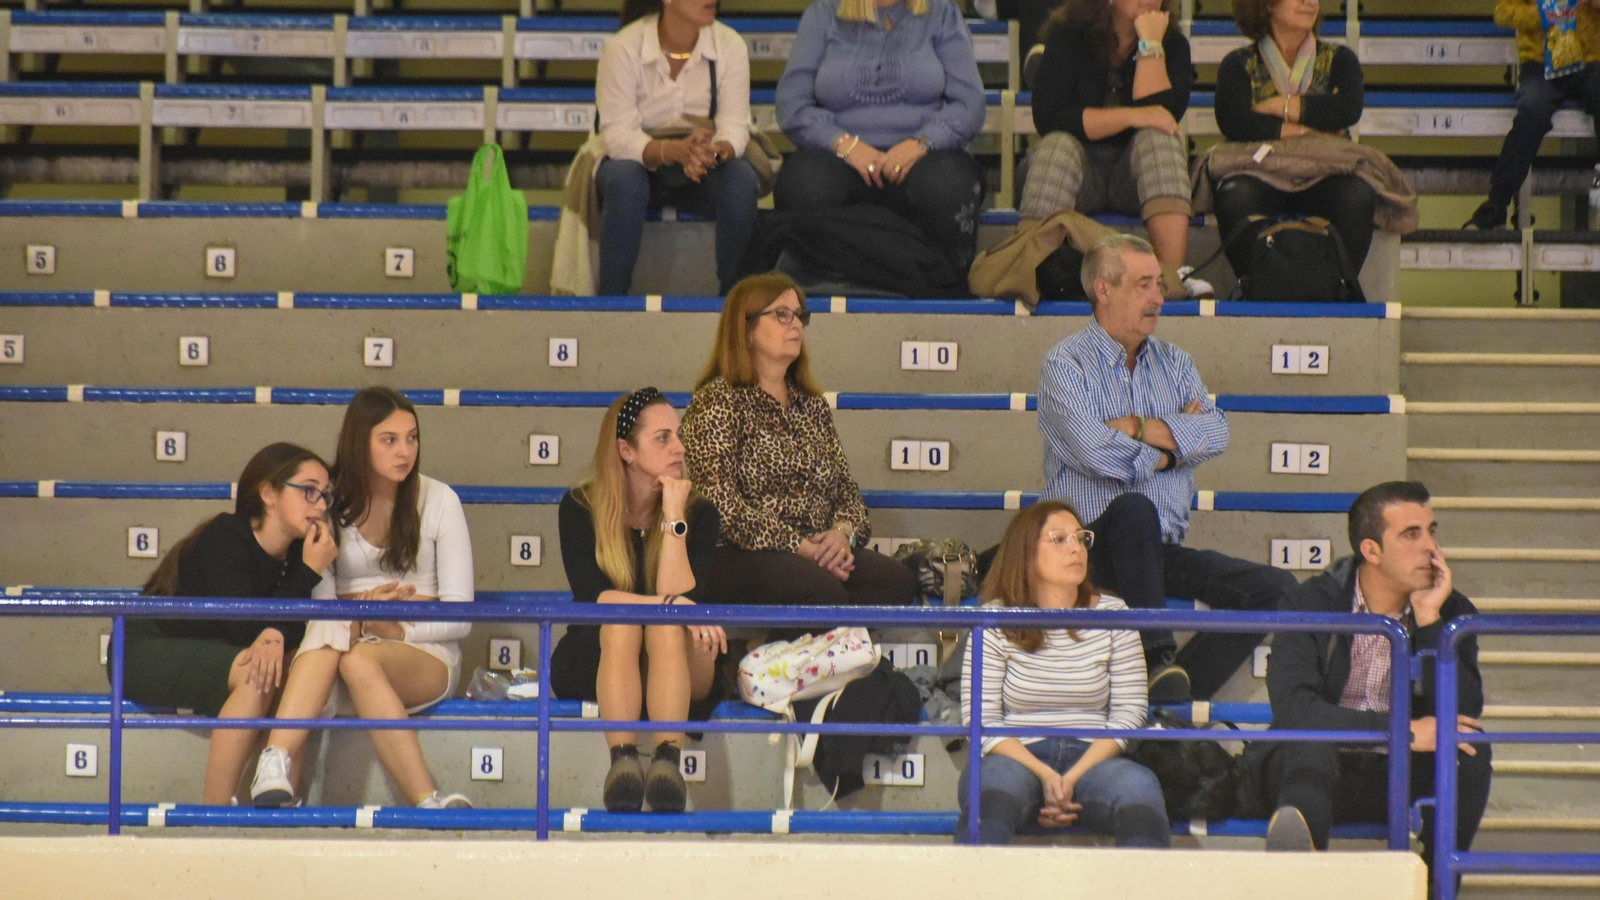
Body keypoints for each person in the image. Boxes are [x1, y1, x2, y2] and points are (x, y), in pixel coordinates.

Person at [1037, 234, 1297, 701]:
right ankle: (1156, 655)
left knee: (1277, 589)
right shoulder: (1065, 364)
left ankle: (1171, 698)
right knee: (1133, 509)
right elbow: (1095, 453)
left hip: (1154, 552)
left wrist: (1136, 427)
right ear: (1103, 290)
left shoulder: (1176, 362)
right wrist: (1174, 448)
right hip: (1086, 549)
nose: (1159, 297)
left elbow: (1217, 432)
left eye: (1159, 283)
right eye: (1144, 285)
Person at [1243, 481, 1491, 887]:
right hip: (1314, 770)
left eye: (1432, 531)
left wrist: (1430, 621)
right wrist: (1402, 731)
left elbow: (1464, 710)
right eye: (1411, 535)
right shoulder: (1311, 603)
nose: (1430, 547)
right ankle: (1296, 880)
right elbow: (1295, 709)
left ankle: (1436, 887)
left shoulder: (1452, 611)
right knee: (1310, 746)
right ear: (1371, 551)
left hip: (1396, 773)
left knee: (1470, 750)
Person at [248, 387, 475, 810]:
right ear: (360, 443)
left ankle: (428, 799)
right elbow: (323, 604)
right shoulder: (328, 504)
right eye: (389, 440)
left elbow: (460, 617)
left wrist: (397, 629)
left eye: (412, 438)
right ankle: (276, 771)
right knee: (333, 638)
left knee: (356, 657)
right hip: (343, 642)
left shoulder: (440, 499)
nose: (405, 451)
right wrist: (369, 608)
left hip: (424, 652)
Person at [680, 272, 918, 607]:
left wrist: (842, 534)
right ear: (746, 329)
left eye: (799, 315)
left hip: (812, 553)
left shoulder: (812, 405)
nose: (796, 324)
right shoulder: (717, 401)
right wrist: (800, 547)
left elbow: (848, 493)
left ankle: (809, 635)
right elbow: (720, 506)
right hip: (739, 552)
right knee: (821, 590)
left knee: (897, 581)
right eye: (781, 314)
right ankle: (790, 641)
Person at [118, 442, 338, 806]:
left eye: (325, 495)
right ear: (269, 493)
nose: (320, 505)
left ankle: (278, 800)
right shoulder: (226, 536)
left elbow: (292, 628)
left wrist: (297, 593)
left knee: (288, 668)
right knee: (258, 670)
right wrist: (309, 573)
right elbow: (243, 629)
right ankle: (215, 810)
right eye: (309, 491)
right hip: (146, 648)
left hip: (215, 651)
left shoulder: (301, 553)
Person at [549, 388, 728, 813]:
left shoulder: (699, 513)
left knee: (665, 627)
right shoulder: (580, 507)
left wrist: (674, 518)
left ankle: (666, 765)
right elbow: (593, 595)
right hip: (601, 655)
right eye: (663, 438)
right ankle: (624, 765)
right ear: (626, 451)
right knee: (624, 619)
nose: (679, 447)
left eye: (678, 435)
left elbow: (682, 594)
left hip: (679, 660)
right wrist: (670, 605)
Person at [956, 500, 1170, 847]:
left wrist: (1070, 778)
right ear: (1026, 553)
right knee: (991, 795)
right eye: (1059, 539)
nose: (1075, 548)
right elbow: (981, 719)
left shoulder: (1115, 613)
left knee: (1140, 789)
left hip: (1094, 758)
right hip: (1016, 757)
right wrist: (1045, 775)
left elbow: (1129, 714)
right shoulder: (993, 619)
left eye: (1081, 538)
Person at [773, 0, 988, 272]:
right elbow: (792, 104)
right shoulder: (822, 15)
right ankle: (829, 285)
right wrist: (844, 144)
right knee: (804, 184)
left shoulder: (943, 13)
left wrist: (921, 143)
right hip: (839, 157)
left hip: (925, 157)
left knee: (947, 185)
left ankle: (943, 286)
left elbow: (970, 104)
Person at [1024, 0, 1207, 298]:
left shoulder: (1172, 44)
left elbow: (1161, 115)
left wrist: (1150, 45)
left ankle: (1171, 279)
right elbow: (1050, 118)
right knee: (1056, 146)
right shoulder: (1068, 34)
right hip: (1076, 174)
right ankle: (1028, 273)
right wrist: (1130, 116)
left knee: (1159, 139)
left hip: (1136, 178)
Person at [595, 0, 759, 294]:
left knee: (741, 179)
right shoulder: (624, 48)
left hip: (701, 165)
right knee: (624, 179)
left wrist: (711, 152)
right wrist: (674, 151)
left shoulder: (729, 44)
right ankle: (612, 302)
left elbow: (735, 126)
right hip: (638, 163)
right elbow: (617, 135)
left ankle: (736, 300)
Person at [1211, 0, 1377, 276]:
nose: (1310, 2)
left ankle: (1339, 286)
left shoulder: (1340, 59)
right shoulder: (1237, 64)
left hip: (1324, 171)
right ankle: (1254, 286)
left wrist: (1277, 106)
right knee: (1234, 197)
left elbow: (1346, 109)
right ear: (1266, 5)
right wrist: (1312, 125)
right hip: (1261, 172)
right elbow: (1235, 122)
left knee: (1356, 196)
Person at [1465, 0, 1600, 230]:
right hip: (1540, 65)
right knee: (1531, 114)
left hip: (1589, 61)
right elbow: (1503, 13)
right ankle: (1497, 203)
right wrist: (1544, 16)